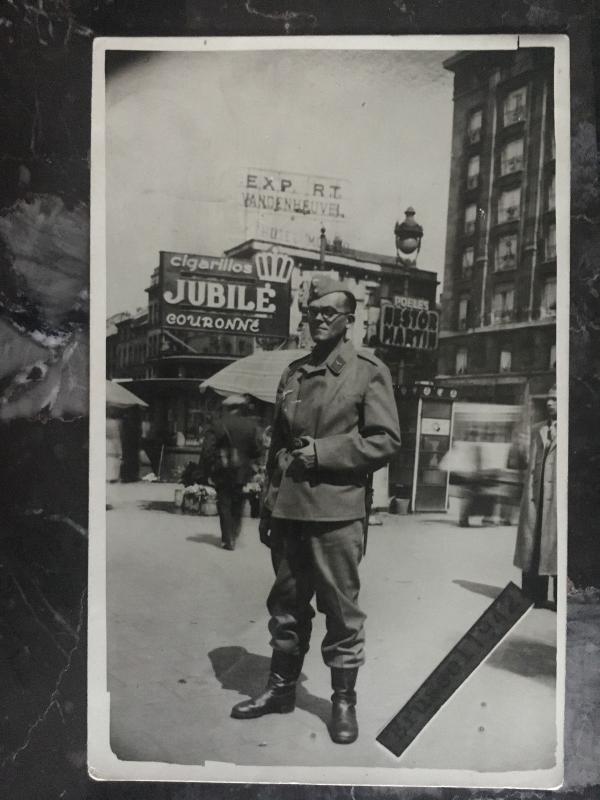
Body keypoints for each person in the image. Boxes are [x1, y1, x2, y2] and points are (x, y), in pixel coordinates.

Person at [230, 276, 402, 744]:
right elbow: (277, 450)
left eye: (329, 312)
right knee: (286, 607)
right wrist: (267, 507)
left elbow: (385, 440)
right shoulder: (294, 372)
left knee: (341, 613)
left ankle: (342, 705)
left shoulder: (368, 371)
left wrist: (323, 453)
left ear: (349, 320)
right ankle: (280, 690)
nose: (319, 319)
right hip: (288, 512)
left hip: (337, 514)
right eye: (312, 311)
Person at [514, 385, 558, 610]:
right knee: (534, 546)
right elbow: (530, 466)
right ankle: (533, 595)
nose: (550, 403)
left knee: (557, 549)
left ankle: (562, 599)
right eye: (549, 399)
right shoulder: (538, 430)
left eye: (556, 400)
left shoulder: (574, 430)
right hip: (536, 499)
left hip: (559, 504)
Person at [207, 395, 262, 551]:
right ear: (240, 408)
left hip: (222, 470)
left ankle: (227, 538)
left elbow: (208, 450)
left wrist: (209, 468)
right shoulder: (251, 426)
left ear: (227, 408)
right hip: (242, 472)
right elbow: (257, 451)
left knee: (224, 503)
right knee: (238, 502)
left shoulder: (218, 424)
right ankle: (234, 533)